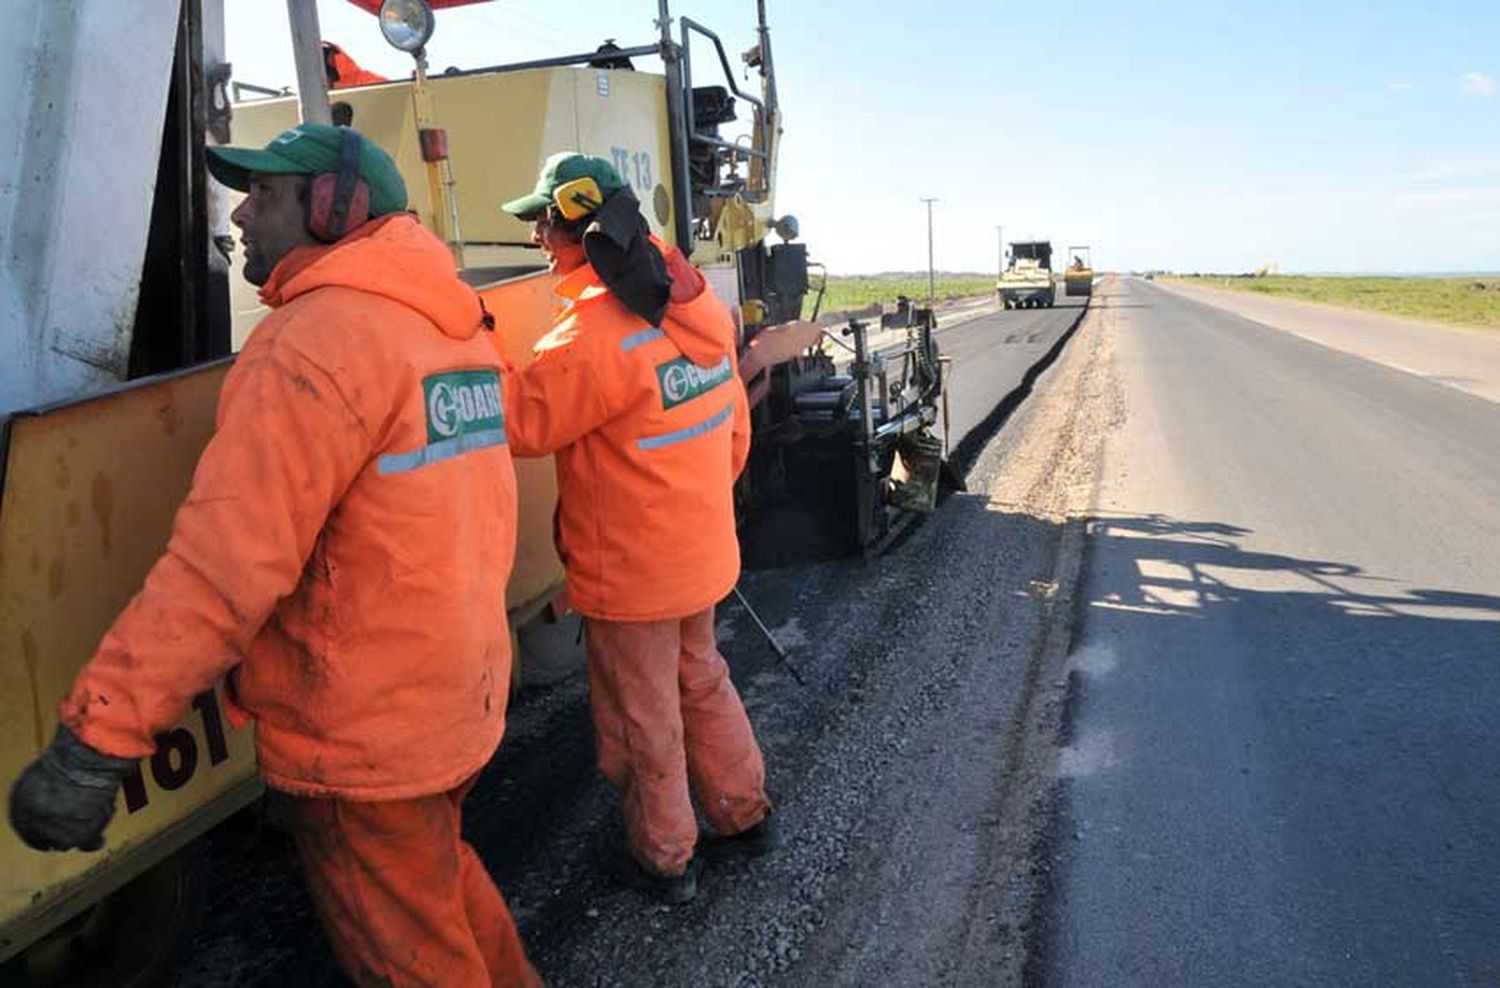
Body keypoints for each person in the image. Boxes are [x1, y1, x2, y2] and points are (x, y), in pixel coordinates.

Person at [6, 123, 540, 988]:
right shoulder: (453, 328)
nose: (241, 214)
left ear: (333, 208)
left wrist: (96, 740)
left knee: (413, 957)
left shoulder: (313, 345)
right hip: (455, 698)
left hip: (365, 736)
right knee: (439, 884)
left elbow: (223, 569)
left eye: (266, 193)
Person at [499, 152, 778, 905]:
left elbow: (520, 423)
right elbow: (733, 436)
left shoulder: (590, 339)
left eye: (543, 224)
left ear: (580, 234)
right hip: (701, 556)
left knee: (643, 715)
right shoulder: (701, 311)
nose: (536, 241)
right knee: (703, 679)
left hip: (633, 577)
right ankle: (743, 812)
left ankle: (666, 858)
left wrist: (471, 340)